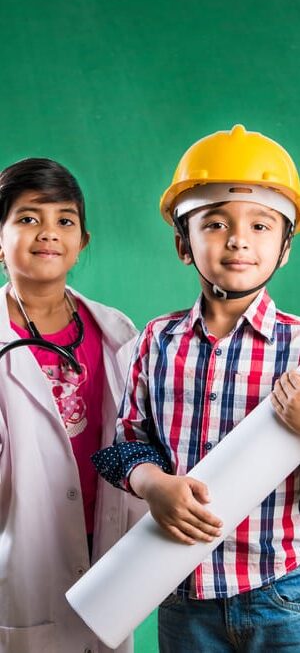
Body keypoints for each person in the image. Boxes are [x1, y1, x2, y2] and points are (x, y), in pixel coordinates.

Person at [92, 124, 300, 652]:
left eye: (260, 224)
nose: (238, 239)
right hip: (179, 594)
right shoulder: (156, 342)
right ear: (183, 244)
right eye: (215, 223)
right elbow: (123, 447)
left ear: (285, 249)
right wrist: (150, 483)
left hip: (281, 595)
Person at [0, 157, 145, 653]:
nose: (48, 233)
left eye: (65, 220)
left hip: (105, 543)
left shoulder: (118, 332)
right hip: (23, 553)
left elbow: (139, 435)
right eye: (27, 218)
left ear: (82, 242)